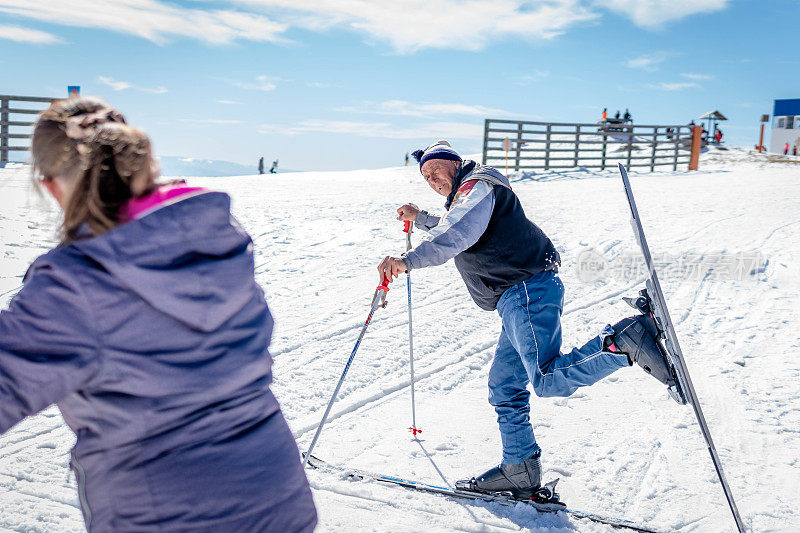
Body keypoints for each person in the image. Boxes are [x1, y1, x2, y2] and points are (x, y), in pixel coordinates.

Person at [0, 97, 317, 532]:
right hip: (277, 498)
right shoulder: (215, 241)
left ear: (51, 185)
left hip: (166, 514)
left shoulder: (76, 284)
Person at [377, 140, 675, 498]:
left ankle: (623, 343)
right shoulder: (469, 192)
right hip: (516, 295)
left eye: (436, 170)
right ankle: (519, 470)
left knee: (548, 379)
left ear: (454, 165)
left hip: (525, 289)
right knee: (505, 385)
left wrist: (408, 260)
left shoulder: (477, 185)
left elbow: (457, 231)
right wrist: (421, 218)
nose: (432, 179)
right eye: (425, 176)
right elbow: (454, 222)